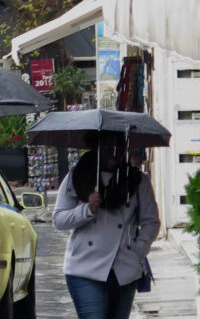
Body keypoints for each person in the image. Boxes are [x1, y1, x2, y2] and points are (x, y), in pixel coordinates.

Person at [53, 132, 160, 319]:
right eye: (109, 149)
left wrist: (138, 249)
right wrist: (87, 209)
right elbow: (59, 219)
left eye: (119, 149)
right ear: (98, 149)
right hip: (85, 268)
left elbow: (151, 222)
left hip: (124, 268)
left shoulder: (137, 180)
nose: (114, 154)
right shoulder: (78, 176)